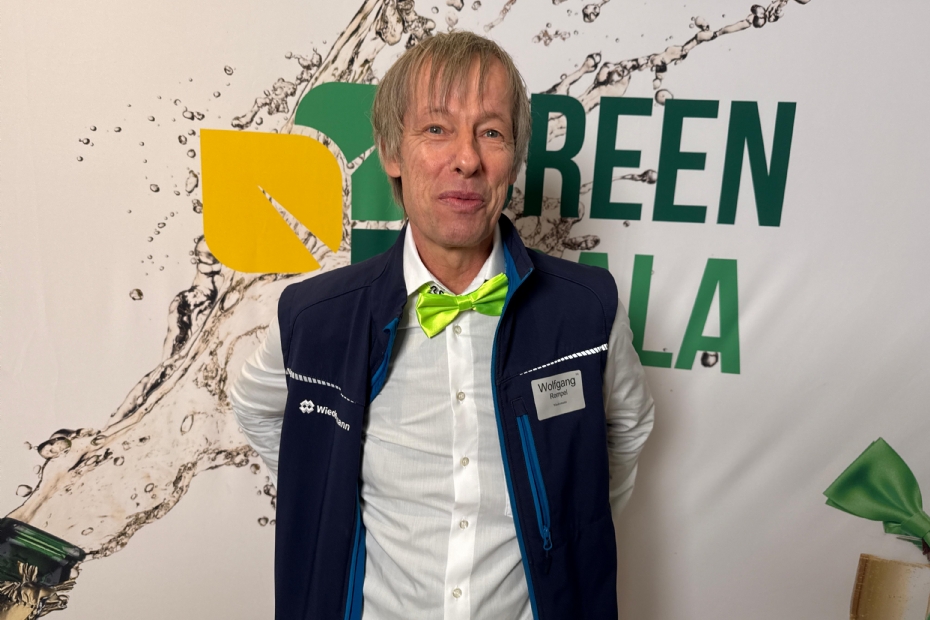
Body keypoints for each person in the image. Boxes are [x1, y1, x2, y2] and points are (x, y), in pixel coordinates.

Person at [230, 31, 654, 620]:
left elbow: (626, 427)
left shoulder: (586, 309)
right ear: (391, 153)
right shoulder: (315, 317)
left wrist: (560, 527)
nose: (467, 159)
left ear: (514, 158)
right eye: (436, 128)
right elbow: (255, 407)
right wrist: (328, 496)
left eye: (491, 132)